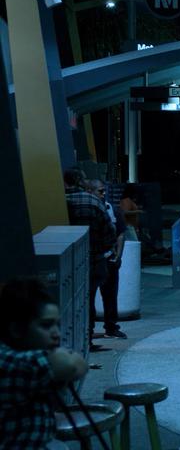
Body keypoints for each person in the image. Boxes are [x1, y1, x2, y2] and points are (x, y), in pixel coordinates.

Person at [1, 279, 89, 448]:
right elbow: (74, 365)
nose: (56, 333)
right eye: (46, 325)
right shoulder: (12, 364)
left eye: (57, 324)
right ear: (16, 329)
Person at [63, 169, 116, 351]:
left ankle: (69, 342)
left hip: (65, 263)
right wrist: (103, 249)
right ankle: (87, 339)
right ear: (80, 181)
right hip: (94, 260)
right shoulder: (92, 201)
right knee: (89, 300)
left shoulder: (58, 201)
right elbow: (109, 232)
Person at [89, 180, 127, 339]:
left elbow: (121, 234)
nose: (103, 194)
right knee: (92, 295)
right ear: (90, 191)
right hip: (97, 259)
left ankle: (110, 326)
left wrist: (118, 255)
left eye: (104, 191)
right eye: (100, 191)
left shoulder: (112, 210)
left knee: (110, 294)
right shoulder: (96, 210)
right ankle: (92, 328)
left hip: (107, 259)